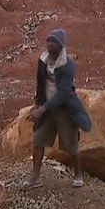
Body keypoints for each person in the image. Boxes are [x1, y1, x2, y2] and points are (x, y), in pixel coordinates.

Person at [25, 29, 92, 189]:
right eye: (48, 41)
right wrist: (37, 103)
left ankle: (78, 174)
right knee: (38, 140)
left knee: (70, 145)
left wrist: (41, 110)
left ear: (60, 46)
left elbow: (63, 93)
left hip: (64, 110)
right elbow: (40, 83)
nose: (49, 44)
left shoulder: (67, 65)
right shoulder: (43, 61)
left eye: (53, 42)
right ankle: (35, 177)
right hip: (48, 108)